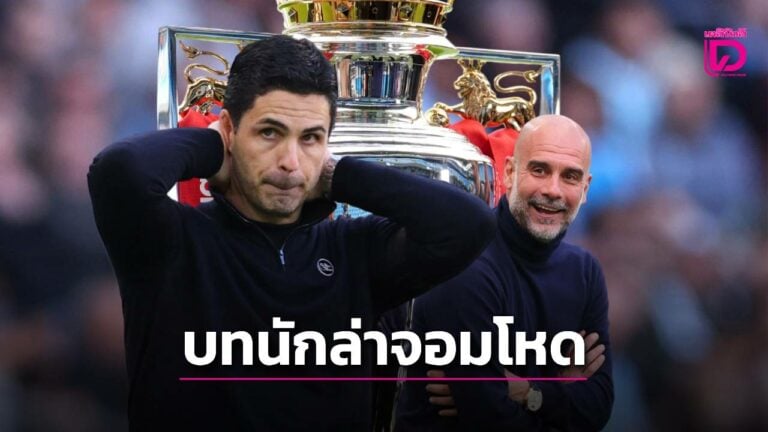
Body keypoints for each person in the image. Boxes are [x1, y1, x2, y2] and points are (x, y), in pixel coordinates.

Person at [87, 35, 496, 431]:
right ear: (229, 129)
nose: (290, 161)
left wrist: (337, 175)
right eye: (270, 132)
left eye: (310, 138)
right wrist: (215, 149)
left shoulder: (354, 252)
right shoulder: (171, 241)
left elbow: (468, 224)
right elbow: (121, 170)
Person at [395, 115, 614, 431]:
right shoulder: (465, 263)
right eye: (539, 170)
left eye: (569, 176)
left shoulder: (584, 271)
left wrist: (526, 392)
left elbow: (598, 406)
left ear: (585, 188)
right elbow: (488, 417)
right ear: (509, 173)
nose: (553, 190)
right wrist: (558, 393)